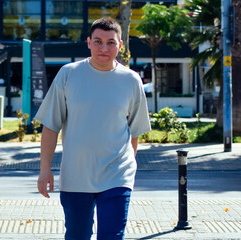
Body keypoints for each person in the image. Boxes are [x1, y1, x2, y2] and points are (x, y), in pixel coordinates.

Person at [34, 17, 151, 239]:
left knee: (111, 236)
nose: (104, 48)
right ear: (88, 42)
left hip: (118, 175)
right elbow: (50, 126)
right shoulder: (68, 74)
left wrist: (129, 167)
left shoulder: (131, 80)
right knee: (77, 235)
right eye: (98, 41)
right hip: (75, 176)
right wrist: (44, 169)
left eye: (111, 42)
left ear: (120, 45)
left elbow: (134, 131)